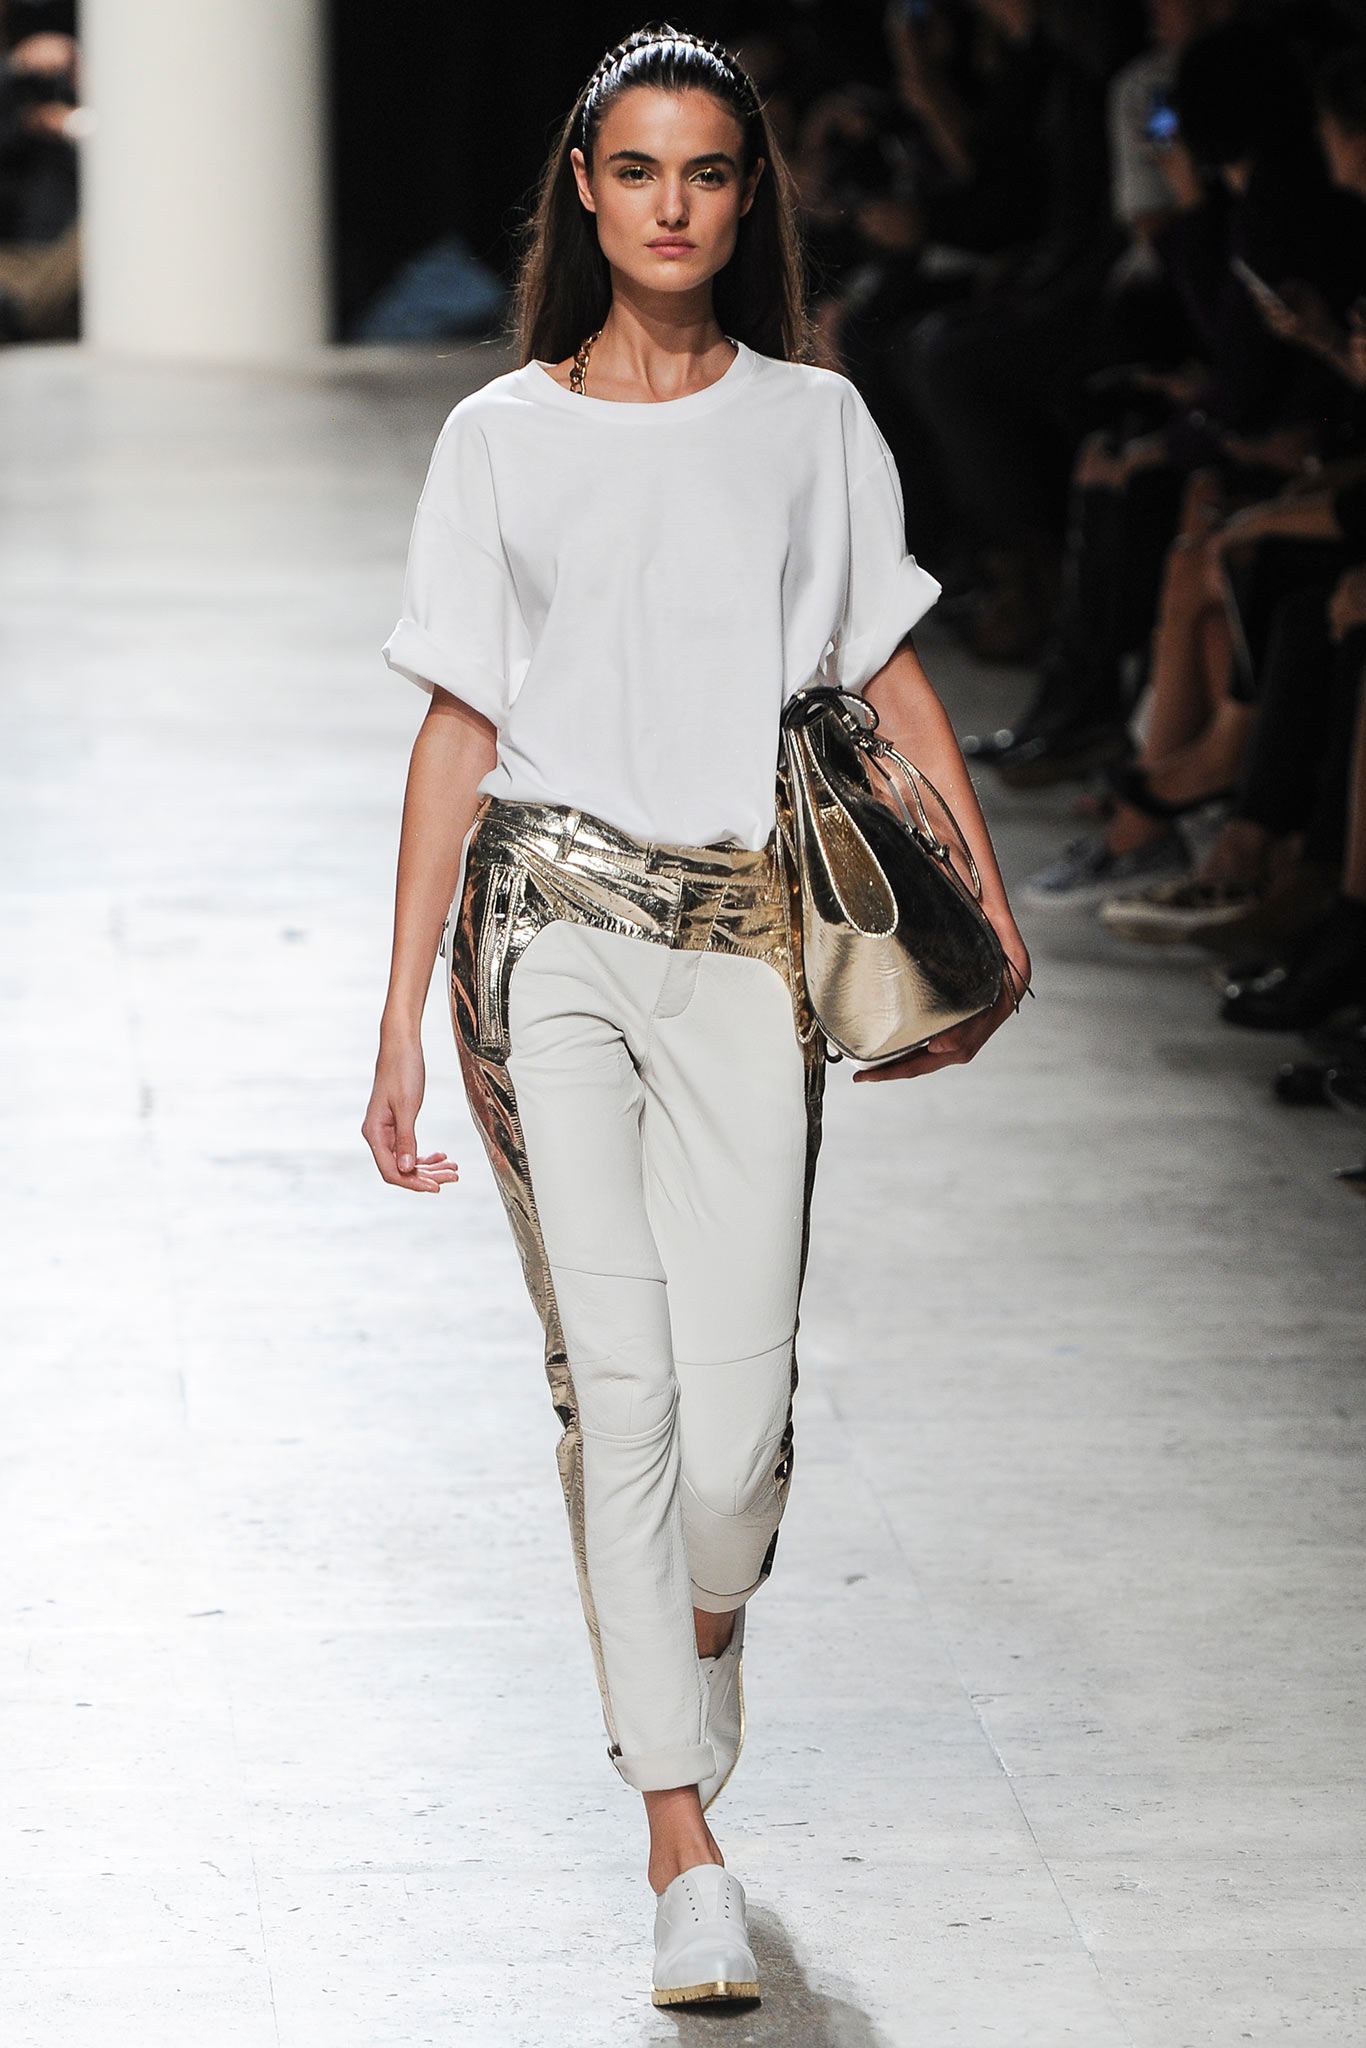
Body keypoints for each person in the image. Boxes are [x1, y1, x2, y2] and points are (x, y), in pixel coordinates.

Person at [362, 24, 1029, 2010]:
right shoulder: (498, 435)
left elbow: (886, 674)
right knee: (621, 1392)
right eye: (637, 168)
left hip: (745, 940)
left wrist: (985, 908)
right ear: (583, 189)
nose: (671, 205)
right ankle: (680, 1844)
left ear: (747, 199)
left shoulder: (812, 421)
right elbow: (456, 725)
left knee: (732, 1437)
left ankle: (702, 1621)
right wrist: (393, 1020)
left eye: (708, 171)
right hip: (545, 933)